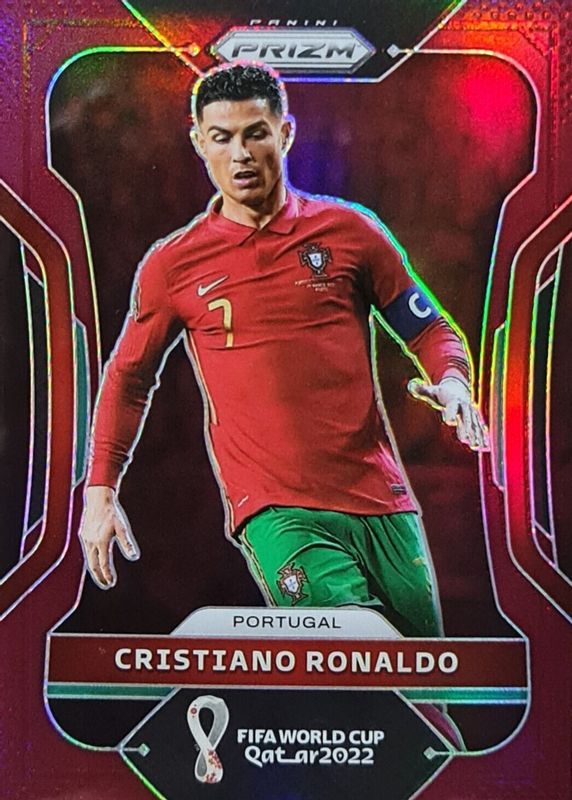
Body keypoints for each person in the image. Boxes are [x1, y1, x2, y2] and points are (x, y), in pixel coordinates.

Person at [79, 63, 487, 640]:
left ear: (286, 133)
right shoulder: (173, 266)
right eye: (221, 138)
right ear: (199, 143)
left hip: (383, 500)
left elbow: (428, 328)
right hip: (277, 511)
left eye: (256, 134)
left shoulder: (351, 232)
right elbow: (128, 378)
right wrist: (100, 491)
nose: (240, 154)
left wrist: (452, 380)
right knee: (355, 648)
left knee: (424, 679)